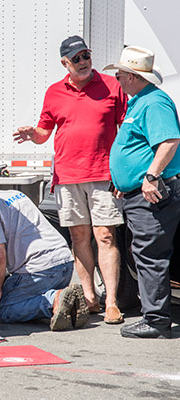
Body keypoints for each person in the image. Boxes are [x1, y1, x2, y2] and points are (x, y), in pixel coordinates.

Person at [12, 35, 128, 324]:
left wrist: (125, 171)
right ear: (65, 63)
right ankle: (89, 297)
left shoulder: (112, 86)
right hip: (67, 176)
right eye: (76, 58)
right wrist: (32, 134)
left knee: (105, 235)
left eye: (86, 54)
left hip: (103, 174)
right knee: (79, 237)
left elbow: (125, 130)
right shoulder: (54, 92)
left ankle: (111, 301)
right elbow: (43, 133)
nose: (84, 61)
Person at [104, 46, 180, 339]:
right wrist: (127, 182)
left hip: (152, 193)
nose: (118, 79)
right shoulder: (140, 101)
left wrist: (149, 176)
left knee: (150, 254)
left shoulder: (154, 102)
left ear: (134, 77)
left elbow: (170, 140)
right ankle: (154, 316)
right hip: (139, 193)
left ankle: (156, 320)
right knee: (146, 253)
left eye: (121, 75)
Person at [0, 175, 89, 331]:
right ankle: (65, 304)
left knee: (6, 310)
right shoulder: (16, 195)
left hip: (41, 270)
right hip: (64, 263)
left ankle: (53, 299)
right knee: (24, 291)